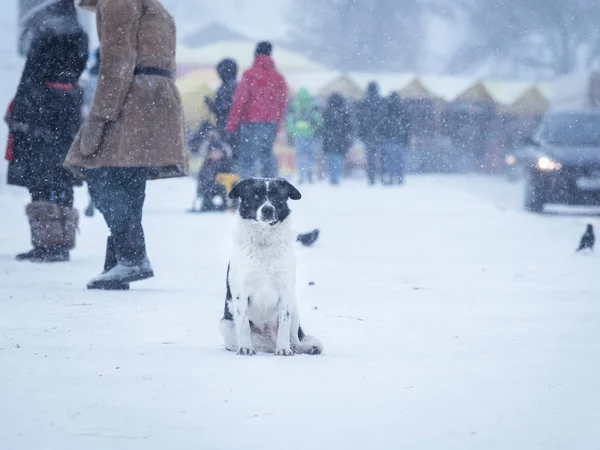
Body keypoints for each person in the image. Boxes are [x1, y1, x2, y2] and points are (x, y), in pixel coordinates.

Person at [65, 0, 187, 290]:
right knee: (127, 178)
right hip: (154, 93)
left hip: (133, 97)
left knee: (101, 176)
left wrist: (99, 115)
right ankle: (119, 260)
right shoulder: (148, 3)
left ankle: (131, 257)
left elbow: (117, 60)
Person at [5, 0, 88, 263]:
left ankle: (45, 242)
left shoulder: (44, 29)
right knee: (63, 173)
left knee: (39, 176)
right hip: (69, 107)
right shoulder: (80, 33)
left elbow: (31, 74)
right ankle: (64, 242)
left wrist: (18, 112)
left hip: (40, 108)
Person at [225, 41, 288, 179]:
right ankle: (271, 184)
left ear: (255, 54)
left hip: (251, 121)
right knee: (267, 153)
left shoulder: (250, 74)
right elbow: (282, 103)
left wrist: (231, 124)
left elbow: (239, 101)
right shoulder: (278, 78)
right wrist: (278, 123)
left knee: (248, 156)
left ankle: (248, 187)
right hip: (271, 122)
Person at [286, 88, 323, 184]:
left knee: (299, 155)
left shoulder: (295, 105)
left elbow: (290, 120)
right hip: (310, 134)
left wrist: (292, 131)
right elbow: (319, 120)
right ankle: (309, 171)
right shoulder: (311, 105)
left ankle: (301, 175)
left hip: (298, 134)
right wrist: (314, 128)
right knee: (310, 154)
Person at [205, 58, 239, 157]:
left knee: (227, 152)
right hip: (231, 125)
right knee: (230, 151)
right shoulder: (233, 85)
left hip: (227, 125)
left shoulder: (227, 86)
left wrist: (210, 104)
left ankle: (228, 171)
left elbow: (223, 107)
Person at [194, 130, 233, 212]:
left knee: (224, 189)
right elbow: (201, 176)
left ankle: (225, 204)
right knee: (204, 189)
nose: (215, 154)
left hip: (221, 188)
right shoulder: (206, 165)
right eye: (212, 152)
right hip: (208, 188)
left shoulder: (225, 164)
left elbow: (229, 178)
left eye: (217, 152)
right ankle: (206, 204)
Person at [82, 48, 101, 217]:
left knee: (93, 165)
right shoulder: (115, 77)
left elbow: (85, 102)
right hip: (110, 126)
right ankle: (98, 199)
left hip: (92, 126)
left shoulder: (90, 78)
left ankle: (93, 198)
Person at [378, 93, 411, 185]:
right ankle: (399, 178)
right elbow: (407, 127)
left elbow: (380, 126)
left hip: (387, 140)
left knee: (388, 161)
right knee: (399, 161)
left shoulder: (385, 110)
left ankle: (390, 177)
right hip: (399, 140)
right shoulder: (403, 111)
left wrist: (381, 137)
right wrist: (406, 139)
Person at [322, 93, 352, 185]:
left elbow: (323, 126)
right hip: (340, 140)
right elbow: (349, 127)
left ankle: (333, 176)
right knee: (337, 159)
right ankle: (336, 176)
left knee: (331, 158)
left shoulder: (327, 112)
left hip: (329, 139)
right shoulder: (344, 112)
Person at [357, 82, 384, 185]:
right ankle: (382, 176)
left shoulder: (364, 103)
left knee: (370, 157)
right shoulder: (381, 102)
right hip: (379, 134)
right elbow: (383, 118)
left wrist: (361, 134)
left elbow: (360, 120)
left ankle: (371, 177)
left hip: (368, 135)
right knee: (381, 157)